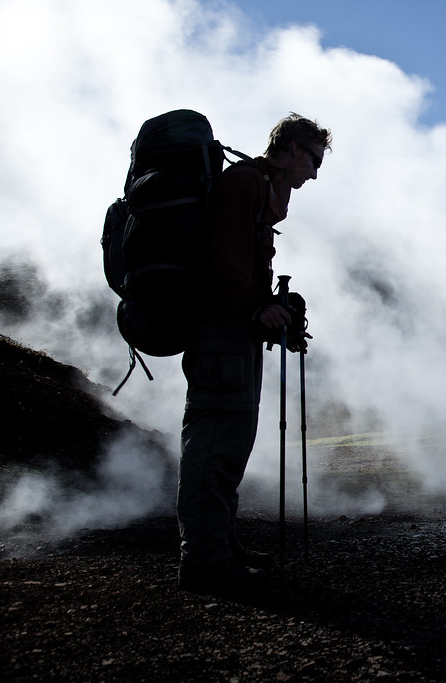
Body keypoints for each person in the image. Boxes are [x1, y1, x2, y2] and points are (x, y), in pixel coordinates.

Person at [176, 114, 331, 593]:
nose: (315, 174)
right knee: (216, 441)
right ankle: (204, 560)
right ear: (292, 148)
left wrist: (272, 312)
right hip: (220, 335)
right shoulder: (245, 183)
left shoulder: (259, 188)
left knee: (231, 441)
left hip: (232, 335)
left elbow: (240, 266)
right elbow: (224, 263)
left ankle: (219, 544)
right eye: (314, 160)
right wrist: (257, 309)